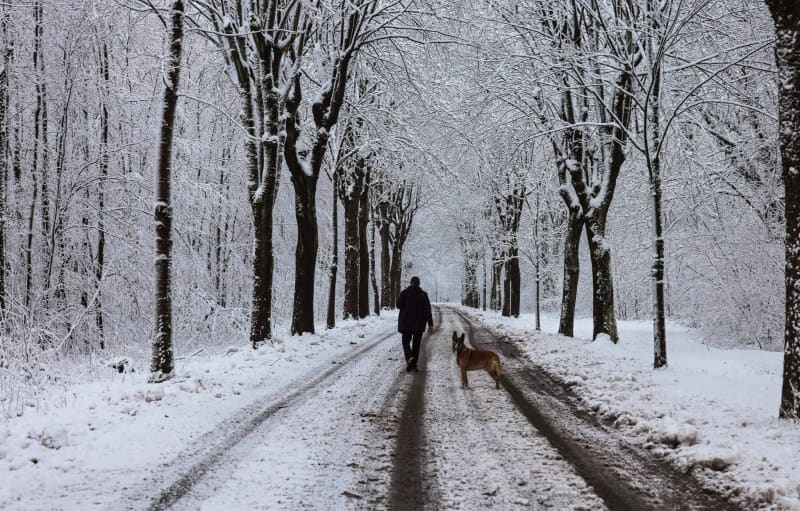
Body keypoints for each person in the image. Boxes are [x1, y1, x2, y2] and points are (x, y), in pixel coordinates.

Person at [397, 276, 434, 372]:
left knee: (405, 343)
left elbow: (398, 305)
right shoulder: (423, 295)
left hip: (406, 324)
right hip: (419, 324)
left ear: (410, 283)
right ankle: (413, 364)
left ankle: (410, 358)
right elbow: (427, 310)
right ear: (419, 284)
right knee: (416, 345)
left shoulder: (404, 293)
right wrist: (430, 324)